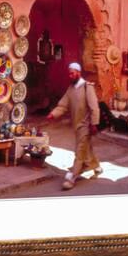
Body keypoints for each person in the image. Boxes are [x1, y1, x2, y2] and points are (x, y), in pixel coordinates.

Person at [46, 62, 103, 190]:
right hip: (76, 125)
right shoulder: (71, 89)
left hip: (86, 125)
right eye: (69, 73)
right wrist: (53, 114)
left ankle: (72, 178)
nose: (70, 76)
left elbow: (94, 107)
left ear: (78, 72)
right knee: (86, 148)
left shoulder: (87, 87)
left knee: (80, 150)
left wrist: (94, 124)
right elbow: (63, 105)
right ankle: (97, 167)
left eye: (72, 73)